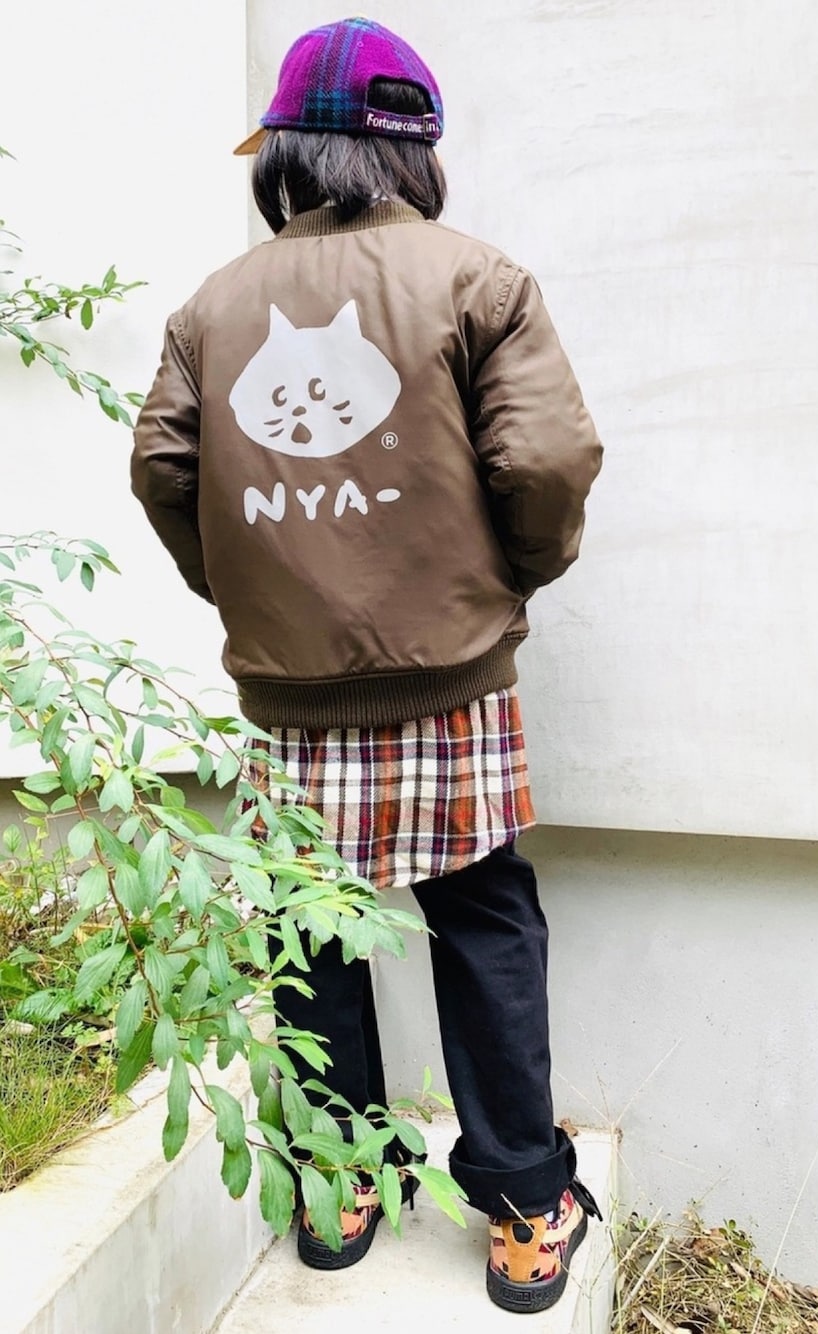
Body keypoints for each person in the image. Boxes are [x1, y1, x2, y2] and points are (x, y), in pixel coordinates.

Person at [130, 16, 603, 1314]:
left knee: (308, 925)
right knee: (482, 914)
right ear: (416, 153)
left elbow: (163, 468)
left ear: (287, 153)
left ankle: (337, 1188)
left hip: (287, 690)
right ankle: (523, 1211)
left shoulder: (214, 307)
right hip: (450, 675)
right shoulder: (479, 279)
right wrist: (510, 578)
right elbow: (546, 459)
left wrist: (251, 590)